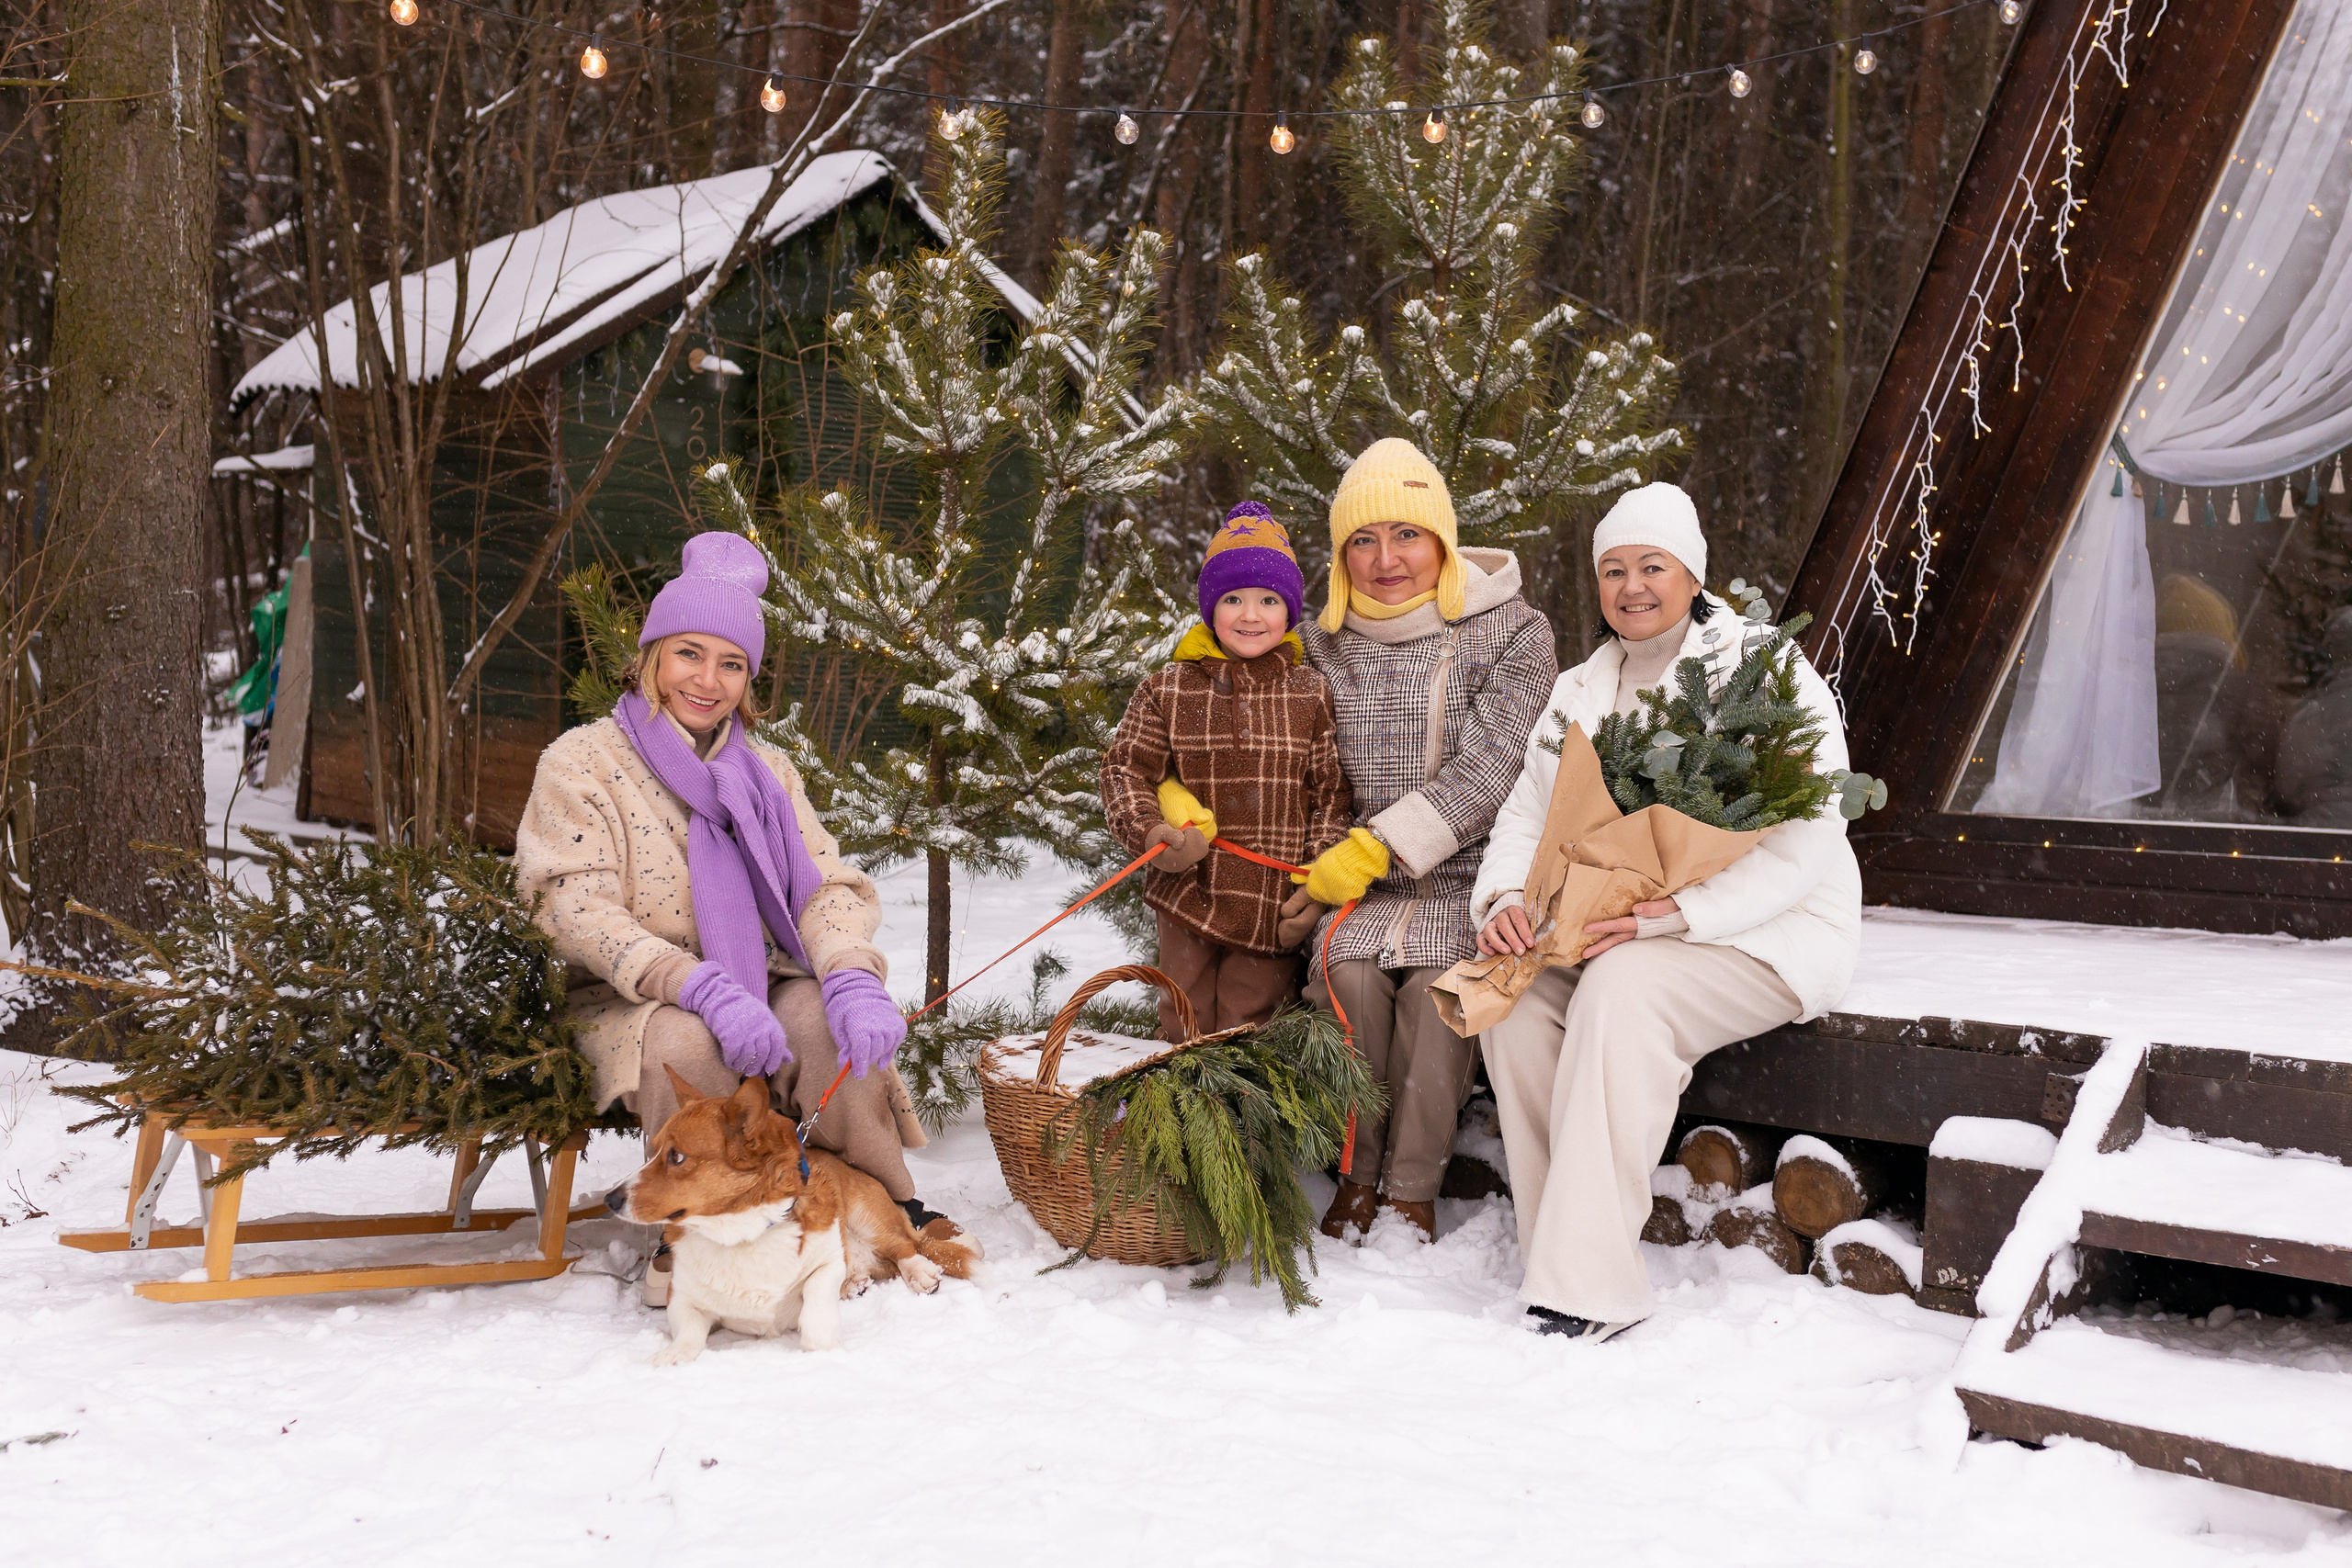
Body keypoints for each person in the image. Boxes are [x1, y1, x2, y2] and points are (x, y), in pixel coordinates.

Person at [514, 532, 961, 1308]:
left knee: (825, 1018)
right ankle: (685, 1228)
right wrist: (699, 984)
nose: (707, 679)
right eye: (689, 653)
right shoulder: (581, 763)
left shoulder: (768, 772)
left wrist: (852, 975)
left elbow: (826, 885)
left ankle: (882, 1205)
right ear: (651, 654)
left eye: (731, 663)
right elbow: (571, 907)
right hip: (630, 999)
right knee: (693, 1036)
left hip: (763, 978)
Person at [1472, 482, 1861, 1340]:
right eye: (1613, 569)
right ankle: (1560, 1247)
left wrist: (1675, 914)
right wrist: (1503, 898)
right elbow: (1526, 814)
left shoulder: (1761, 669)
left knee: (1621, 991)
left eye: (1652, 565)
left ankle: (1591, 1287)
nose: (1631, 586)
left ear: (1692, 576)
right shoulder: (1581, 687)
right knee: (1520, 1001)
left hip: (1763, 927)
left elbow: (1808, 832)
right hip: (1614, 921)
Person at [1297, 439, 1558, 1244]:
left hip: (1469, 877)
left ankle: (1410, 1188)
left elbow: (1497, 762)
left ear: (1442, 541)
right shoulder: (1317, 642)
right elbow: (1281, 749)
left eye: (1406, 535)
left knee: (1437, 995)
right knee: (1354, 981)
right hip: (1354, 886)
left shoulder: (1513, 630)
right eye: (1363, 541)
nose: (1386, 560)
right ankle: (1356, 1177)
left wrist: (1385, 843)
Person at [1100, 502, 1368, 1040]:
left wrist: (1314, 884)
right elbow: (1124, 771)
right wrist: (1154, 831)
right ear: (1210, 608)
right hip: (1188, 890)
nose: (1251, 615)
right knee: (1184, 1014)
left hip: (1272, 900)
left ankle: (1242, 1122)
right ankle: (1176, 1114)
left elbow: (1330, 795)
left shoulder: (1309, 692)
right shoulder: (1169, 689)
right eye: (1233, 599)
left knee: (1252, 1020)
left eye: (1269, 600)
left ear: (1289, 612)